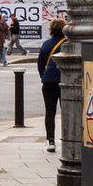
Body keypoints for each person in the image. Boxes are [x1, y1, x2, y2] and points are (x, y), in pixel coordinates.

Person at [37, 17, 67, 153]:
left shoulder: (46, 44)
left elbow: (40, 64)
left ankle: (51, 141)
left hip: (48, 81)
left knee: (50, 112)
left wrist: (44, 76)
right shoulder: (68, 44)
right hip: (65, 81)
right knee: (67, 111)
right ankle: (68, 139)